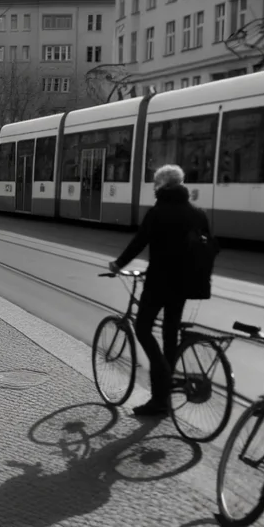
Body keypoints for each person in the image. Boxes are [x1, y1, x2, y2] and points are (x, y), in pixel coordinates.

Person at [108, 163, 219, 417]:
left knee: (143, 328)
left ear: (162, 186)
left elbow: (139, 242)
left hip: (160, 282)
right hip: (187, 284)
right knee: (170, 334)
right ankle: (163, 400)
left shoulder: (158, 212)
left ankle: (162, 380)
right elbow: (206, 249)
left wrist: (118, 264)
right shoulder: (198, 214)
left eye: (155, 183)